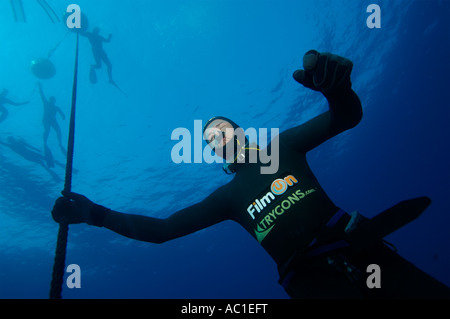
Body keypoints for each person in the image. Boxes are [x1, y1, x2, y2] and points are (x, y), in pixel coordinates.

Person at [51, 50, 450, 299]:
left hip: (367, 256)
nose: (219, 138)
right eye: (211, 140)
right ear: (214, 155)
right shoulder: (227, 198)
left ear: (241, 132)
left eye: (224, 130)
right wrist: (95, 214)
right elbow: (162, 231)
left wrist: (337, 89)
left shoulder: (283, 147)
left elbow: (347, 117)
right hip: (313, 287)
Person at [38, 83, 66, 163]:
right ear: (50, 100)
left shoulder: (56, 107)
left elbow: (61, 112)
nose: (52, 101)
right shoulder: (46, 103)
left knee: (59, 131)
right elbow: (42, 95)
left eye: (53, 100)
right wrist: (40, 87)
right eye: (51, 99)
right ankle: (45, 143)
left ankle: (60, 143)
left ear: (54, 101)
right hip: (46, 120)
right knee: (47, 130)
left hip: (53, 121)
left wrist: (63, 116)